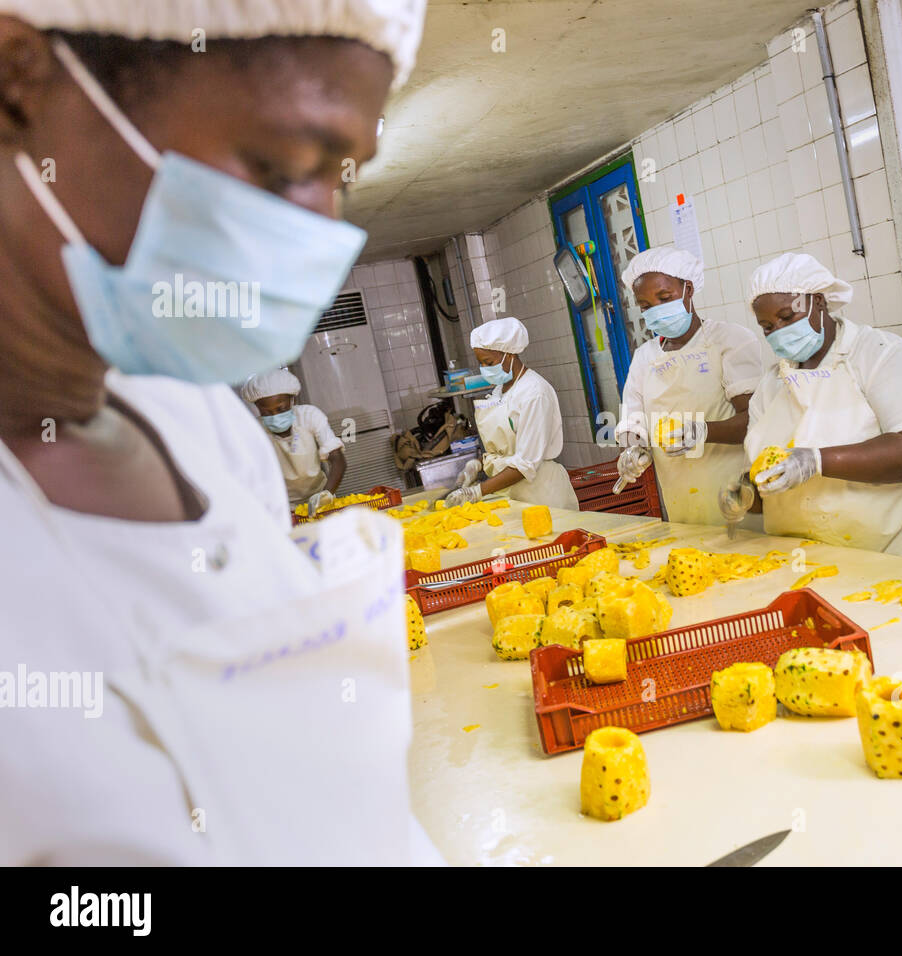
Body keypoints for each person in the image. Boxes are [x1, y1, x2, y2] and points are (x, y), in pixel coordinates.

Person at [0, 1, 442, 864]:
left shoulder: (197, 420)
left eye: (341, 174)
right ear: (18, 80)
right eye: (279, 166)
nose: (319, 231)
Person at [724, 253, 902, 563]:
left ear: (819, 303)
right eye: (768, 326)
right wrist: (747, 493)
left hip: (899, 552)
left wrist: (816, 461)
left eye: (787, 317)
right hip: (816, 560)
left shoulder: (879, 355)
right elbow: (769, 488)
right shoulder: (770, 387)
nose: (778, 331)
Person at [613, 246, 763, 526]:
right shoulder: (645, 357)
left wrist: (702, 431)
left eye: (665, 297)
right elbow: (633, 421)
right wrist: (633, 450)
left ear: (688, 290)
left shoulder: (729, 340)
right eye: (645, 306)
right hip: (678, 496)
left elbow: (754, 419)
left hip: (733, 492)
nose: (656, 311)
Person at [444, 316, 580, 510]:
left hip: (541, 496)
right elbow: (507, 449)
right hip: (511, 494)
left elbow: (525, 464)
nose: (484, 369)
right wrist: (480, 466)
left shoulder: (534, 392)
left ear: (510, 354)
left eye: (489, 362)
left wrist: (477, 491)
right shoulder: (500, 390)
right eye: (481, 364)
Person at [240, 368, 346, 514]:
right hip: (282, 505)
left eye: (281, 409)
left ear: (292, 400)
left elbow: (337, 458)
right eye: (266, 413)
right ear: (258, 409)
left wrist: (326, 494)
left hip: (320, 496)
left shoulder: (309, 416)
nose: (275, 416)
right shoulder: (255, 430)